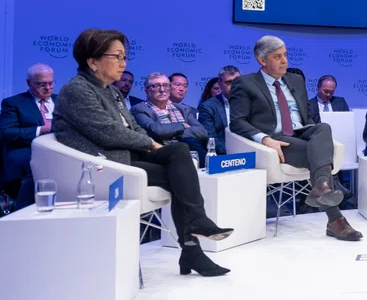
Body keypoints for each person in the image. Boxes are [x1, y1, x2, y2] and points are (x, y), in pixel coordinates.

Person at [54, 29, 233, 276]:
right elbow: (107, 133)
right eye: (117, 56)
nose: (123, 63)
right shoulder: (77, 90)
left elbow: (133, 127)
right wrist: (151, 143)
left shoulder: (111, 91)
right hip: (105, 162)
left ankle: (196, 230)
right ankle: (193, 246)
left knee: (180, 150)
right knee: (180, 177)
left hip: (127, 154)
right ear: (92, 61)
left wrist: (149, 142)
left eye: (124, 57)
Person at [229, 35, 361, 241]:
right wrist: (265, 139)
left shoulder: (296, 80)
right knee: (318, 156)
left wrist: (313, 133)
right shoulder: (245, 83)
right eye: (277, 56)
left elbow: (307, 116)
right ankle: (335, 219)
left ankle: (322, 187)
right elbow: (237, 122)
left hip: (302, 132)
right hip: (277, 138)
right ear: (262, 60)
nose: (285, 61)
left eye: (285, 55)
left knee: (323, 128)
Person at [0, 63, 57, 209]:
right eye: (42, 84)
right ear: (28, 82)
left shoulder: (62, 101)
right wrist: (40, 130)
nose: (48, 88)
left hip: (60, 154)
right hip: (28, 156)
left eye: (51, 83)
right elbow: (6, 132)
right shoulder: (14, 103)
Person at [132, 73, 210, 163]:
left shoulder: (182, 109)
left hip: (188, 151)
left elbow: (202, 132)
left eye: (165, 85)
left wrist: (173, 135)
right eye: (156, 86)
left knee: (190, 142)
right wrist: (182, 125)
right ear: (147, 91)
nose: (162, 90)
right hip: (160, 153)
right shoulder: (139, 109)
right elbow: (157, 130)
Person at [199, 65, 241, 156]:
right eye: (229, 82)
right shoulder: (207, 107)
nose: (234, 86)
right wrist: (233, 153)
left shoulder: (252, 102)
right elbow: (210, 138)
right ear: (219, 83)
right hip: (223, 155)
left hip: (251, 151)